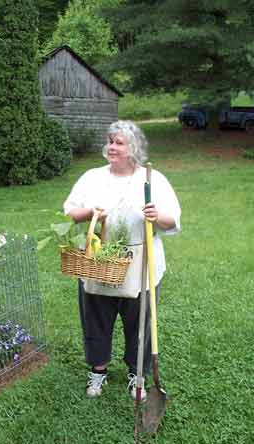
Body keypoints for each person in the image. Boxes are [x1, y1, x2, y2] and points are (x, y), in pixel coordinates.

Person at [62, 120, 181, 399]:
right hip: (98, 259)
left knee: (139, 322)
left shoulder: (152, 179)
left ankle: (136, 374)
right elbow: (69, 211)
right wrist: (90, 212)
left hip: (142, 264)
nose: (111, 147)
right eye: (110, 141)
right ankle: (98, 371)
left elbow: (172, 221)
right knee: (96, 317)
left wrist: (156, 216)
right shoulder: (92, 177)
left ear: (134, 148)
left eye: (118, 143)